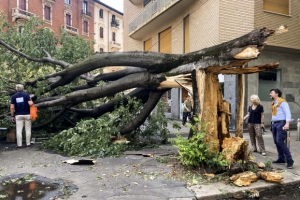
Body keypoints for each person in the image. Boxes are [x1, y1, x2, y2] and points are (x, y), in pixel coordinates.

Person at [269, 88, 294, 169]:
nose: (270, 94)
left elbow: (288, 113)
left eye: (271, 93)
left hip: (281, 123)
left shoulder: (282, 102)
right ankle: (281, 158)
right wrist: (272, 123)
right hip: (275, 124)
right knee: (276, 142)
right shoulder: (274, 103)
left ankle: (290, 159)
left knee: (280, 141)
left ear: (277, 94)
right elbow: (274, 114)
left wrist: (287, 124)